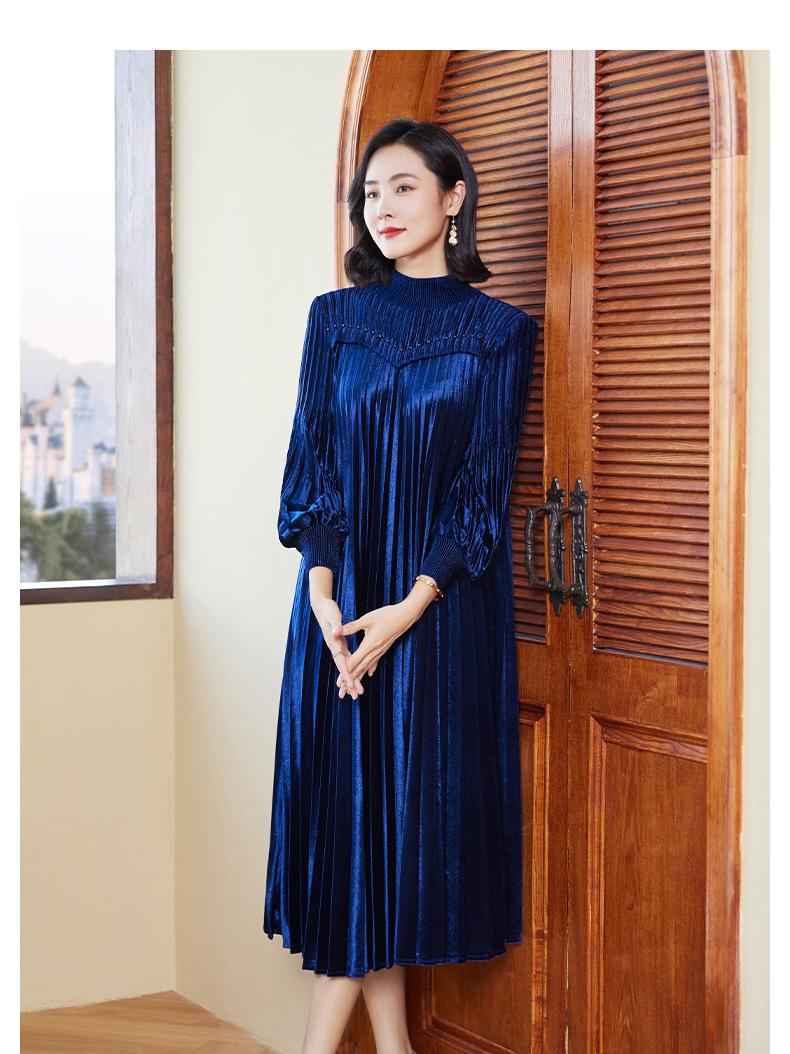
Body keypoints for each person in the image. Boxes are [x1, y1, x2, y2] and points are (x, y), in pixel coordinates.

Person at [263, 117, 537, 1054]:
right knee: (351, 836)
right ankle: (395, 1047)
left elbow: (481, 493)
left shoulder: (500, 332)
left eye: (404, 187)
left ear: (453, 198)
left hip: (438, 616)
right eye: (371, 192)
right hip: (339, 614)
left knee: (396, 837)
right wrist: (324, 592)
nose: (382, 207)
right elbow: (315, 466)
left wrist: (411, 607)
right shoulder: (333, 319)